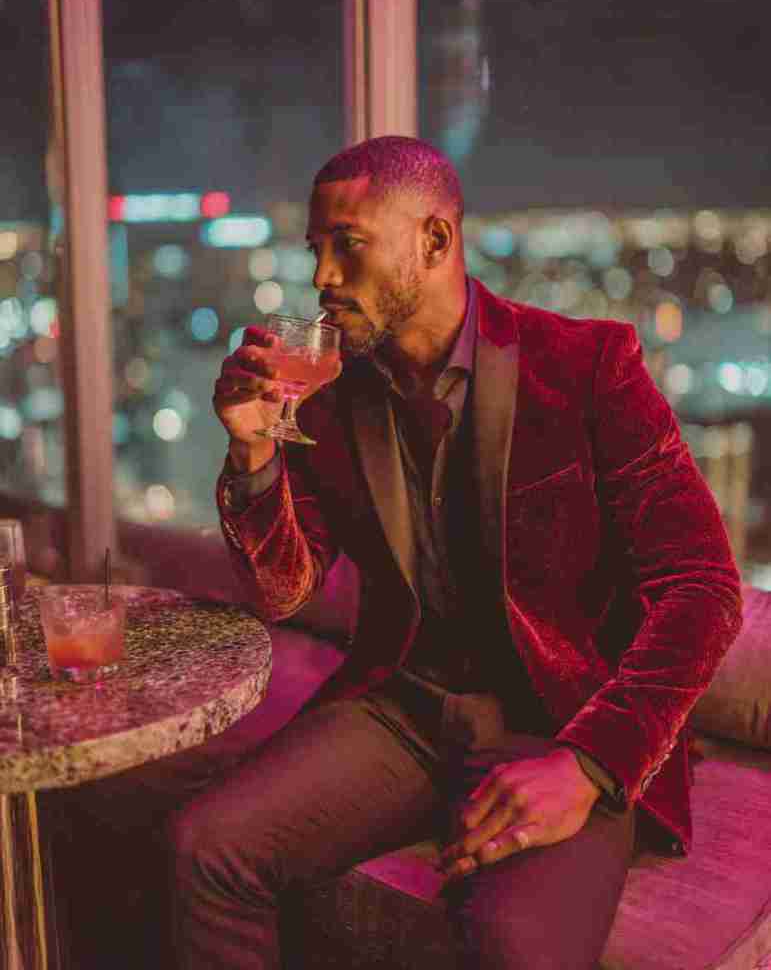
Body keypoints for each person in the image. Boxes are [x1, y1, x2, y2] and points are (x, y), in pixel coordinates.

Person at [165, 134, 742, 969]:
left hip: (561, 722)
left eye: (347, 245)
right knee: (202, 848)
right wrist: (253, 458)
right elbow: (284, 591)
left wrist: (589, 764)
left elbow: (703, 587)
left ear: (434, 240)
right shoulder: (327, 396)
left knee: (514, 944)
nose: (321, 276)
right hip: (401, 711)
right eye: (315, 250)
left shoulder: (586, 367)